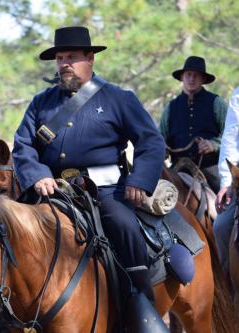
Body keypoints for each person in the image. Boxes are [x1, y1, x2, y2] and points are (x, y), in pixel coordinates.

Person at [12, 26, 166, 325]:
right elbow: (23, 145)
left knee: (124, 227)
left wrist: (138, 181)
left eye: (71, 57)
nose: (64, 64)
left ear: (90, 58)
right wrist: (37, 175)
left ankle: (141, 307)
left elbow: (151, 141)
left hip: (105, 191)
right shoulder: (41, 102)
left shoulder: (118, 98)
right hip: (51, 190)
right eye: (59, 58)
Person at [159, 56, 228, 193]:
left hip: (210, 167)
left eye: (196, 75)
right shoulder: (171, 107)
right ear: (182, 77)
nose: (191, 78)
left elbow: (232, 136)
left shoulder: (217, 103)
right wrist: (163, 148)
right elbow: (160, 137)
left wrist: (213, 145)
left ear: (203, 79)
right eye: (188, 74)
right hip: (178, 168)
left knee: (228, 200)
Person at [213, 87, 239, 274]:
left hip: (207, 164)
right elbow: (230, 137)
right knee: (221, 226)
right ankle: (228, 282)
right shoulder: (238, 94)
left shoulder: (214, 103)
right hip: (238, 174)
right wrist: (227, 182)